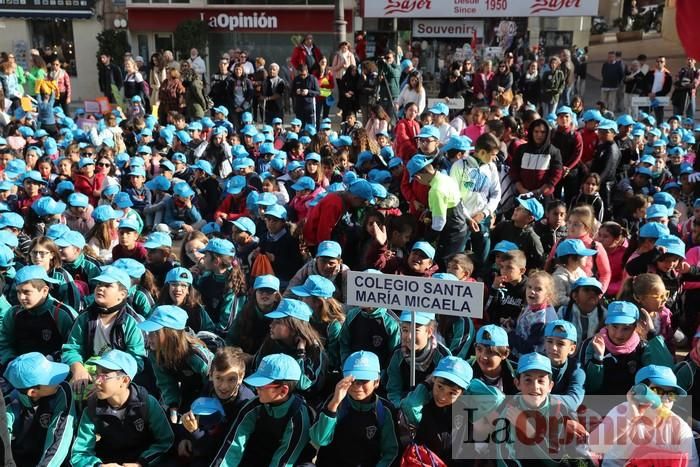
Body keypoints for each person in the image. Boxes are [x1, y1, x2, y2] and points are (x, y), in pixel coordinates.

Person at [70, 349, 174, 467]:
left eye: (104, 376)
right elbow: (80, 453)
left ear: (124, 381)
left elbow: (165, 442)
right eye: (96, 374)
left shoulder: (146, 403)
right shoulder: (92, 408)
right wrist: (98, 465)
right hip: (108, 461)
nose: (97, 381)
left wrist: (141, 463)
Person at [209, 353, 316, 466]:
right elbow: (233, 446)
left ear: (283, 391)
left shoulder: (299, 418)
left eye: (261, 385)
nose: (256, 388)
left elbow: (284, 460)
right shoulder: (254, 406)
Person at [589, 364, 698, 466]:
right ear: (639, 392)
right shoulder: (621, 412)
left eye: (671, 395)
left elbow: (691, 464)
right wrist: (629, 418)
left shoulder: (679, 427)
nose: (665, 399)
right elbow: (596, 446)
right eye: (657, 391)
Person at [61, 266, 147, 394]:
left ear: (122, 295)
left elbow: (137, 360)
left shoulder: (132, 322)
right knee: (73, 391)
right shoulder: (85, 318)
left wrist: (109, 378)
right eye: (99, 284)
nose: (100, 288)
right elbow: (72, 348)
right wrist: (77, 368)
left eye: (107, 285)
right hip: (89, 373)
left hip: (117, 378)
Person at [310, 350, 400, 467]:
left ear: (376, 382)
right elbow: (319, 439)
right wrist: (334, 404)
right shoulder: (335, 401)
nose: (357, 386)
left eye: (364, 381)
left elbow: (391, 453)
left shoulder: (384, 410)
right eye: (352, 380)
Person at [139, 305, 213, 417]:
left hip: (209, 391)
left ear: (171, 334)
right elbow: (166, 382)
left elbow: (211, 382)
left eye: (154, 333)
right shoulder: (155, 353)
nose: (149, 338)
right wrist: (173, 405)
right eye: (149, 333)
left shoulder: (194, 354)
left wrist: (200, 407)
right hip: (188, 388)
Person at [3, 352, 74, 467]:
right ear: (33, 392)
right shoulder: (9, 405)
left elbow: (59, 438)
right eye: (50, 378)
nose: (58, 379)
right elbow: (3, 446)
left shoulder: (62, 391)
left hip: (52, 461)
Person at [0, 264, 77, 366]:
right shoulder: (14, 313)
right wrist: (10, 361)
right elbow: (4, 344)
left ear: (44, 291)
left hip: (54, 370)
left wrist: (53, 358)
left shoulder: (62, 314)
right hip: (18, 368)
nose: (21, 297)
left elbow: (73, 348)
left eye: (27, 292)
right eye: (18, 292)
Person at [406, 154, 467, 267]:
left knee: (444, 264)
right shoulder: (445, 177)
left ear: (418, 176)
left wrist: (426, 241)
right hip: (460, 227)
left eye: (414, 178)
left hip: (451, 232)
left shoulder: (436, 190)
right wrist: (429, 210)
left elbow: (439, 223)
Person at [385, 311, 450, 406]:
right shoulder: (397, 354)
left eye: (416, 330)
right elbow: (393, 390)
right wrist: (400, 408)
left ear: (430, 331)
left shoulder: (442, 357)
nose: (410, 337)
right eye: (405, 330)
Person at [510, 118, 564, 198]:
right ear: (531, 132)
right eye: (536, 131)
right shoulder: (521, 150)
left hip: (544, 195)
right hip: (522, 194)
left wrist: (540, 191)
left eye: (543, 132)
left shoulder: (554, 152)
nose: (539, 135)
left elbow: (556, 174)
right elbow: (514, 170)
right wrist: (521, 189)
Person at [644, 56, 673, 123]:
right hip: (648, 96)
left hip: (659, 97)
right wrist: (648, 93)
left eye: (661, 61)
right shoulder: (650, 73)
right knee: (645, 116)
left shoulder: (668, 75)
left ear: (664, 63)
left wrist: (656, 94)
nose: (659, 63)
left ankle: (659, 129)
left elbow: (667, 88)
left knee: (659, 116)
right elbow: (645, 84)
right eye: (658, 61)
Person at [291, 64, 320, 128]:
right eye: (301, 75)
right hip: (299, 107)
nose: (302, 76)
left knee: (310, 126)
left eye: (304, 75)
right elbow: (291, 92)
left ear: (307, 71)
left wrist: (308, 92)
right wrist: (296, 92)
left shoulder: (312, 79)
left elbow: (318, 92)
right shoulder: (296, 79)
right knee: (299, 126)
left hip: (309, 107)